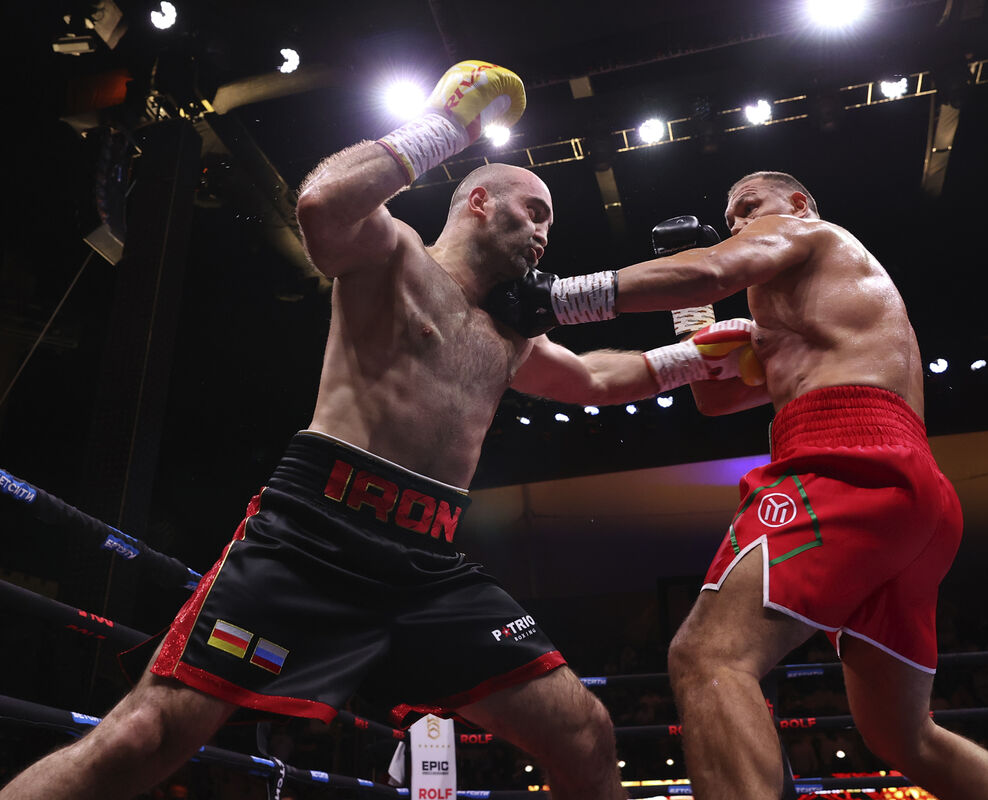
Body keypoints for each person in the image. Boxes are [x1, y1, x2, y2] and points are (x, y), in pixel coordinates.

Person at [0, 61, 758, 800]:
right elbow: (321, 203)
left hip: (427, 563)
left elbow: (595, 380)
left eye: (550, 224)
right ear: (479, 201)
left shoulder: (512, 336)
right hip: (312, 538)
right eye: (534, 212)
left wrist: (695, 357)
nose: (543, 234)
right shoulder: (391, 254)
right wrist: (444, 127)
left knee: (584, 732)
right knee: (146, 737)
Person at [492, 171, 988, 798]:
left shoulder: (812, 234)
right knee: (903, 736)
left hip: (845, 460)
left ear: (798, 204)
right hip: (912, 494)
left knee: (708, 656)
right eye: (731, 220)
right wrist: (690, 314)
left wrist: (556, 298)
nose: (740, 224)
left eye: (749, 207)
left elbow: (712, 270)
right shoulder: (792, 325)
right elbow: (713, 399)